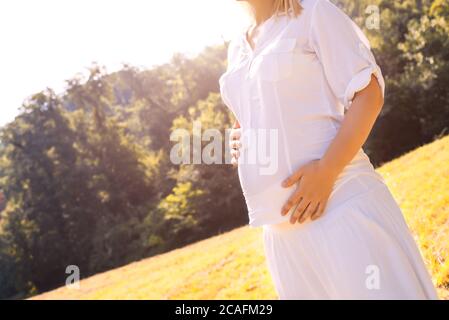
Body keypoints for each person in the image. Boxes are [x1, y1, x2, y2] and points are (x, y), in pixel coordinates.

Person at [219, 0, 438, 299]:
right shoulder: (237, 47)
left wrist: (327, 170)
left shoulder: (313, 13)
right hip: (280, 236)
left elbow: (368, 93)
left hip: (339, 206)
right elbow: (261, 109)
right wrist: (241, 135)